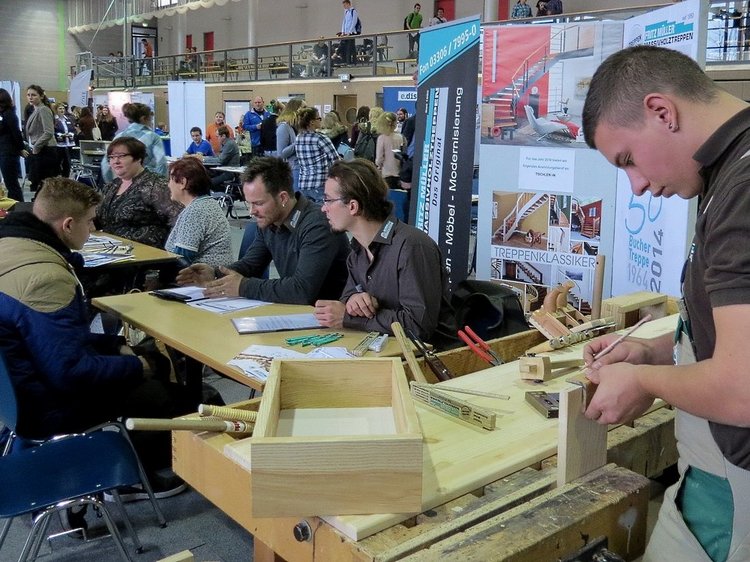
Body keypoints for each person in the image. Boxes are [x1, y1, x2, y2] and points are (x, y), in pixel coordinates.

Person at [580, 45, 750, 562]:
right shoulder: (726, 170)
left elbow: (743, 390)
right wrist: (655, 353)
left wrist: (643, 382)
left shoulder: (743, 189)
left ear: (661, 111)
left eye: (628, 160)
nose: (637, 186)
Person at [0, 176, 189, 496]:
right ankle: (131, 479)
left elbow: (52, 342)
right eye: (90, 223)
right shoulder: (46, 277)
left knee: (130, 363)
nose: (93, 230)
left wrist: (113, 343)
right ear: (68, 224)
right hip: (43, 406)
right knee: (159, 393)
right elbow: (70, 373)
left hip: (13, 399)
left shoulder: (12, 246)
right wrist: (142, 366)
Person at [176, 156, 349, 305]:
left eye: (258, 203)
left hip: (329, 323)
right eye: (248, 203)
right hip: (298, 313)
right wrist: (214, 274)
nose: (251, 211)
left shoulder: (317, 225)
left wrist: (243, 286)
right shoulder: (270, 221)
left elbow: (302, 290)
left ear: (282, 198)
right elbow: (251, 265)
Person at [314, 159, 453, 342]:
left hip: (428, 360)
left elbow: (417, 327)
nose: (324, 208)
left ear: (353, 206)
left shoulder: (412, 247)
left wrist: (349, 318)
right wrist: (354, 300)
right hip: (385, 352)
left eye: (328, 200)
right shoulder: (357, 252)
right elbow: (347, 296)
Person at [97, 137, 182, 248]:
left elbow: (178, 220)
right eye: (112, 157)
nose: (115, 161)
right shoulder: (111, 186)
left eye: (121, 156)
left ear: (138, 158)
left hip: (147, 254)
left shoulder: (156, 185)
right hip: (111, 249)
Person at [165, 157, 232, 267]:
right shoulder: (205, 204)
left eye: (170, 180)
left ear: (182, 182)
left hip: (199, 279)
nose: (168, 185)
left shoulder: (195, 211)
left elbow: (181, 258)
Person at [101, 102, 167, 182]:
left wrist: (111, 183)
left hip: (124, 185)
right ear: (143, 118)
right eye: (150, 119)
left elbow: (105, 164)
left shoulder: (118, 137)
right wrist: (161, 183)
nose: (151, 122)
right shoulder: (153, 137)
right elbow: (161, 162)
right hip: (147, 183)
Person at [294, 107, 340, 202]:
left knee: (308, 214)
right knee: (322, 214)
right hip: (319, 183)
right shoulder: (320, 138)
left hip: (304, 183)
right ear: (312, 122)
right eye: (319, 118)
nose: (321, 120)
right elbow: (336, 160)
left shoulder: (298, 137)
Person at [23, 84, 58, 193]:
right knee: (38, 185)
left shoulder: (43, 110)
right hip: (39, 150)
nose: (30, 97)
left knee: (43, 187)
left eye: (33, 95)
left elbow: (49, 132)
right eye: (28, 95)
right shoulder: (35, 110)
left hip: (45, 150)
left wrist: (36, 147)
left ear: (41, 96)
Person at [0, 89, 25, 202]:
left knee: (12, 183)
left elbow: (16, 133)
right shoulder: (3, 114)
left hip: (8, 153)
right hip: (4, 152)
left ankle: (19, 209)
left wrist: (21, 148)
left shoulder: (9, 114)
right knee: (9, 183)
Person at [276, 98, 304, 190]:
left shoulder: (297, 126)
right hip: (293, 170)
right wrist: (299, 142)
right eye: (304, 107)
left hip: (302, 169)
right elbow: (281, 153)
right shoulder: (284, 127)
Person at [374, 112, 404, 190]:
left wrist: (379, 165)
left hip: (387, 174)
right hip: (399, 174)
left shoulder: (382, 138)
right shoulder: (401, 137)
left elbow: (379, 159)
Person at [53, 103, 75, 179]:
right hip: (59, 145)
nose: (62, 110)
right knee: (57, 163)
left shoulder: (68, 119)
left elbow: (73, 130)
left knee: (67, 163)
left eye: (63, 108)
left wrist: (71, 134)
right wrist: (60, 135)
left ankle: (66, 178)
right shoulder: (54, 120)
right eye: (60, 108)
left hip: (69, 144)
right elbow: (53, 132)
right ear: (56, 110)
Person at [338, 0, 359, 65]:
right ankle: (348, 62)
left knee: (351, 47)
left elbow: (354, 22)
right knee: (347, 47)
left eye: (345, 5)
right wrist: (343, 31)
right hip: (346, 33)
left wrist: (350, 31)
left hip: (351, 32)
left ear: (348, 4)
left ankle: (352, 62)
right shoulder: (346, 12)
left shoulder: (353, 11)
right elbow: (344, 22)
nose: (344, 6)